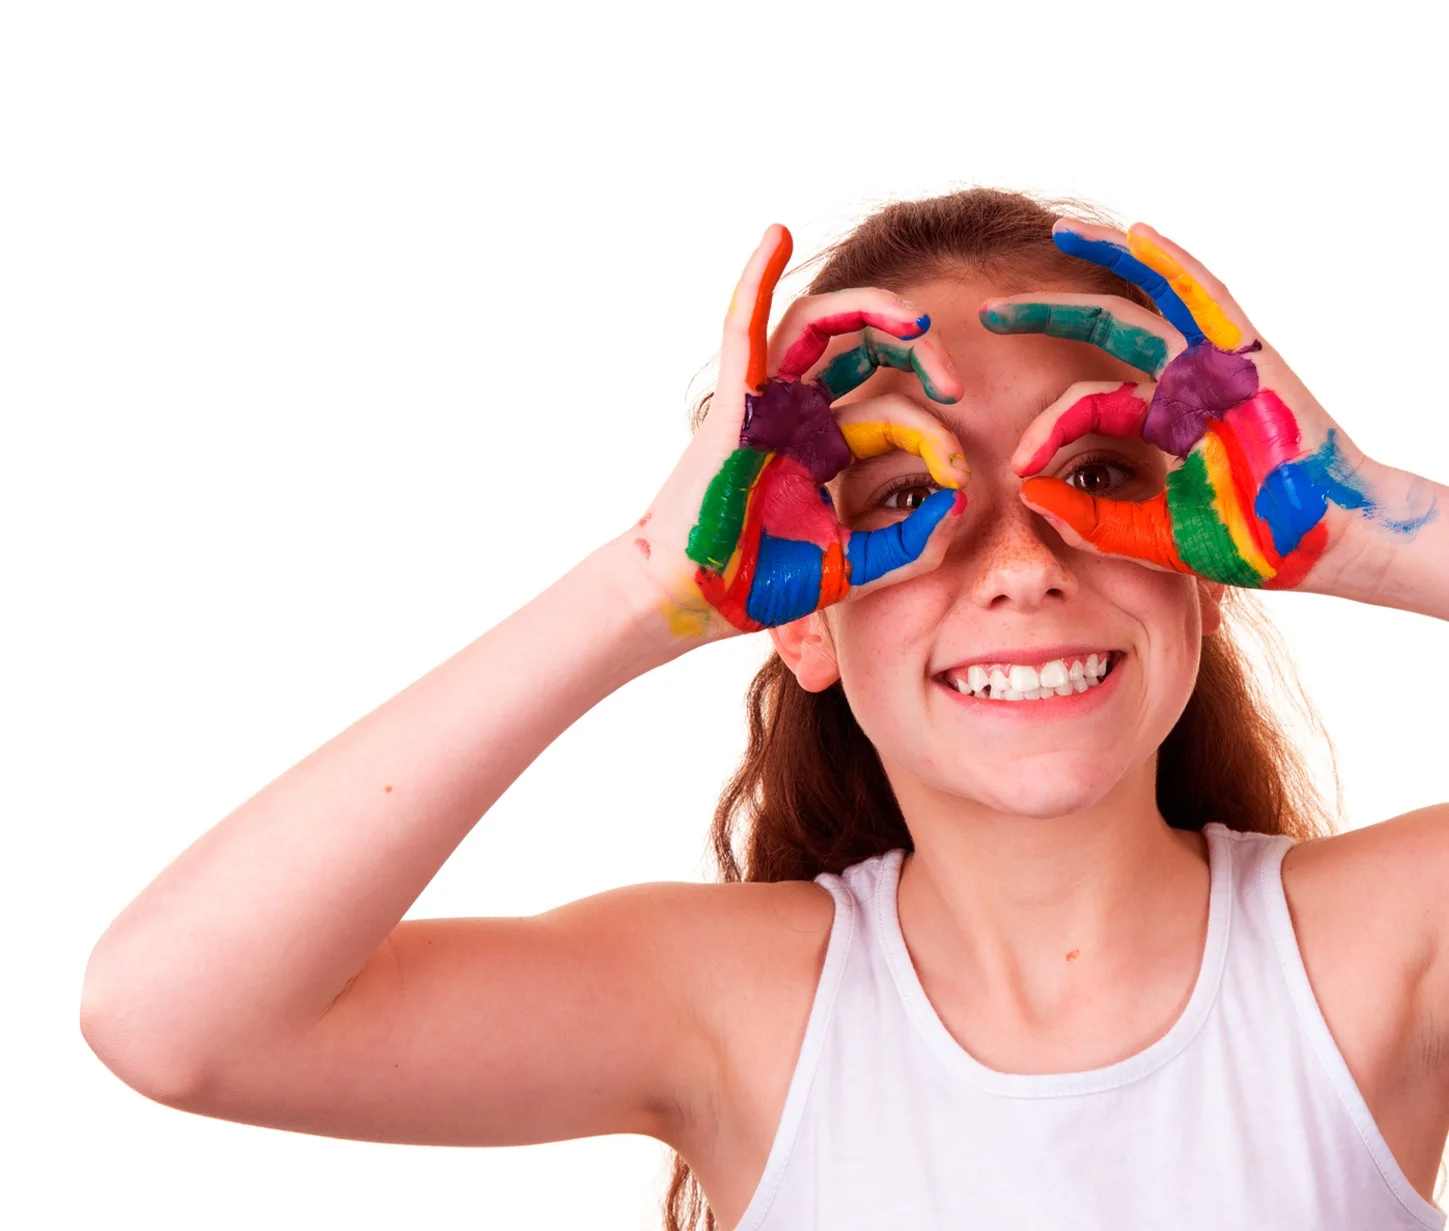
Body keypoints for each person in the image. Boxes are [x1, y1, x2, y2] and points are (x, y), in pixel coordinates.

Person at [79, 189, 1449, 1231]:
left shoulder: (1379, 947)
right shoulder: (740, 1005)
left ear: (1210, 572)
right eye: (902, 494)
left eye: (1094, 470)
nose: (1024, 561)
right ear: (795, 611)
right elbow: (174, 1017)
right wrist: (637, 587)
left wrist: (1380, 528)